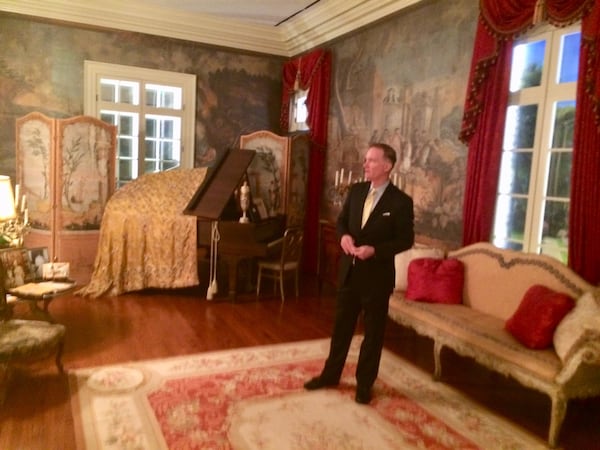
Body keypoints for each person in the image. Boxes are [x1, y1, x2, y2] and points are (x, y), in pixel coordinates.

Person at [304, 142, 414, 404]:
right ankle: (331, 375)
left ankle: (364, 384)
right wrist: (343, 238)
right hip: (349, 274)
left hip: (377, 279)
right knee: (341, 329)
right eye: (365, 160)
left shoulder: (400, 202)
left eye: (371, 160)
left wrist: (375, 250)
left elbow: (405, 240)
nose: (365, 164)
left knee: (373, 334)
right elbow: (342, 221)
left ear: (387, 166)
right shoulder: (356, 191)